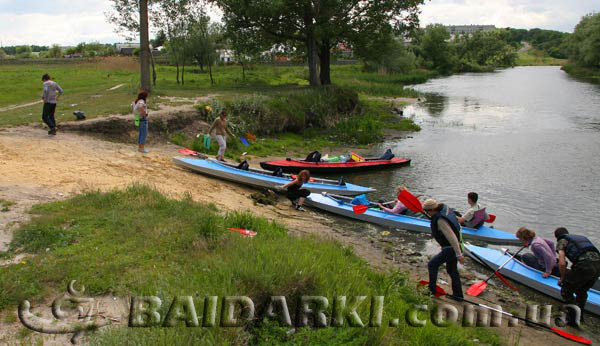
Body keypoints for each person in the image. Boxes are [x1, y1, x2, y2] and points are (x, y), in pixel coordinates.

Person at [555, 227, 600, 322]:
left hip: (584, 265)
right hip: (598, 265)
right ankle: (580, 317)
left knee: (566, 291)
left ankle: (573, 318)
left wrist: (562, 278)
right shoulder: (580, 238)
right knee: (581, 291)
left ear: (556, 237)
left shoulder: (561, 241)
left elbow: (562, 263)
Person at [423, 199, 464, 299]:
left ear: (432, 210)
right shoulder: (443, 210)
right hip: (454, 247)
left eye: (427, 212)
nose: (427, 214)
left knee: (432, 264)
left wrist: (459, 254)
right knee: (452, 270)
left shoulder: (441, 220)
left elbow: (452, 237)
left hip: (450, 248)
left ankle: (431, 290)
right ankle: (458, 295)